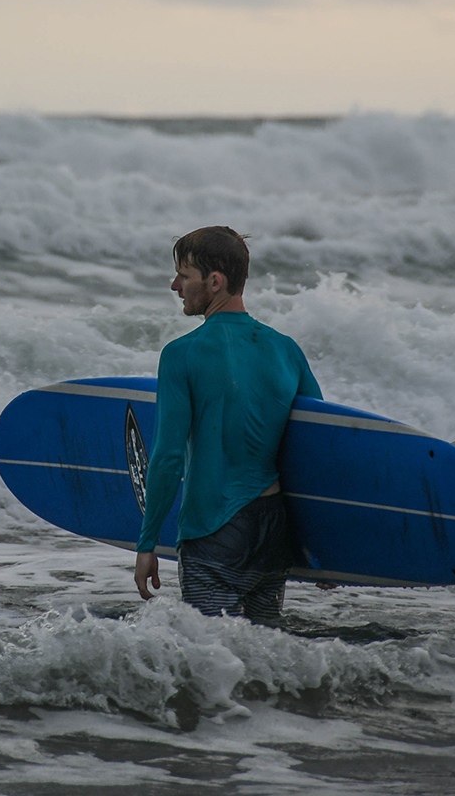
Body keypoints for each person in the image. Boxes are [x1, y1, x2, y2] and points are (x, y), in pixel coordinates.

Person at [133, 227, 321, 624]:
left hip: (214, 530)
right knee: (264, 658)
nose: (175, 285)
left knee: (213, 663)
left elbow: (167, 458)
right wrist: (320, 547)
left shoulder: (181, 354)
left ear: (214, 281)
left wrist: (147, 543)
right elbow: (315, 450)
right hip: (274, 533)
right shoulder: (286, 349)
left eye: (184, 276)